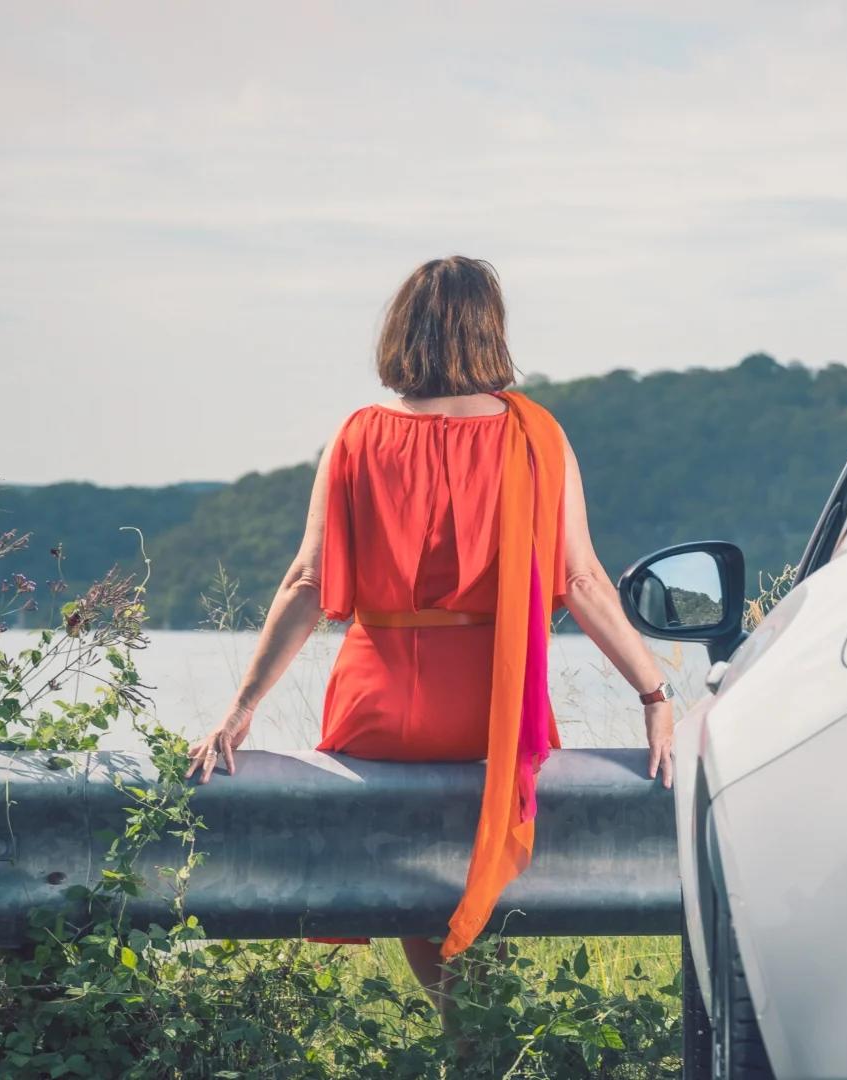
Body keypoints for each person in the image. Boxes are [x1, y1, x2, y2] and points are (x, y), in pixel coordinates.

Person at [183, 255, 675, 1016]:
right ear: (491, 330)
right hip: (489, 701)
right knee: (481, 841)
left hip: (376, 706)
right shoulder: (535, 435)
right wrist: (654, 691)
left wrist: (241, 707)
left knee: (416, 869)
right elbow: (582, 583)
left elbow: (306, 584)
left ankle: (459, 1018)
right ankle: (479, 1020)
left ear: (402, 330)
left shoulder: (358, 435)